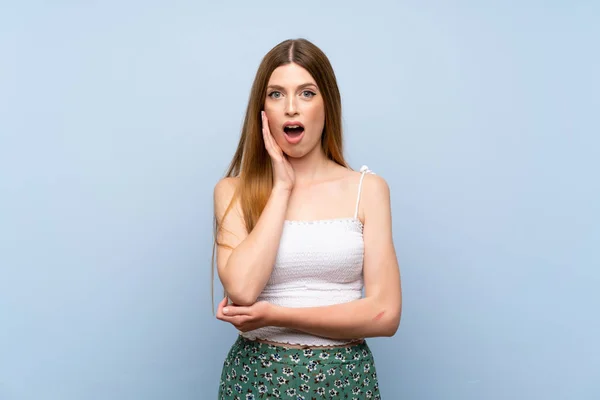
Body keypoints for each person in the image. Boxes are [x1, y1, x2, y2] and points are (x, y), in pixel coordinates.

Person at [212, 38, 402, 399]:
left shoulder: (368, 189)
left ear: (327, 104)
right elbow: (242, 289)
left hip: (344, 380)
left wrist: (279, 315)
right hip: (256, 379)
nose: (292, 109)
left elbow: (386, 314)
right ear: (262, 110)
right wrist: (282, 187)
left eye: (307, 93)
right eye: (277, 94)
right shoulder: (232, 191)